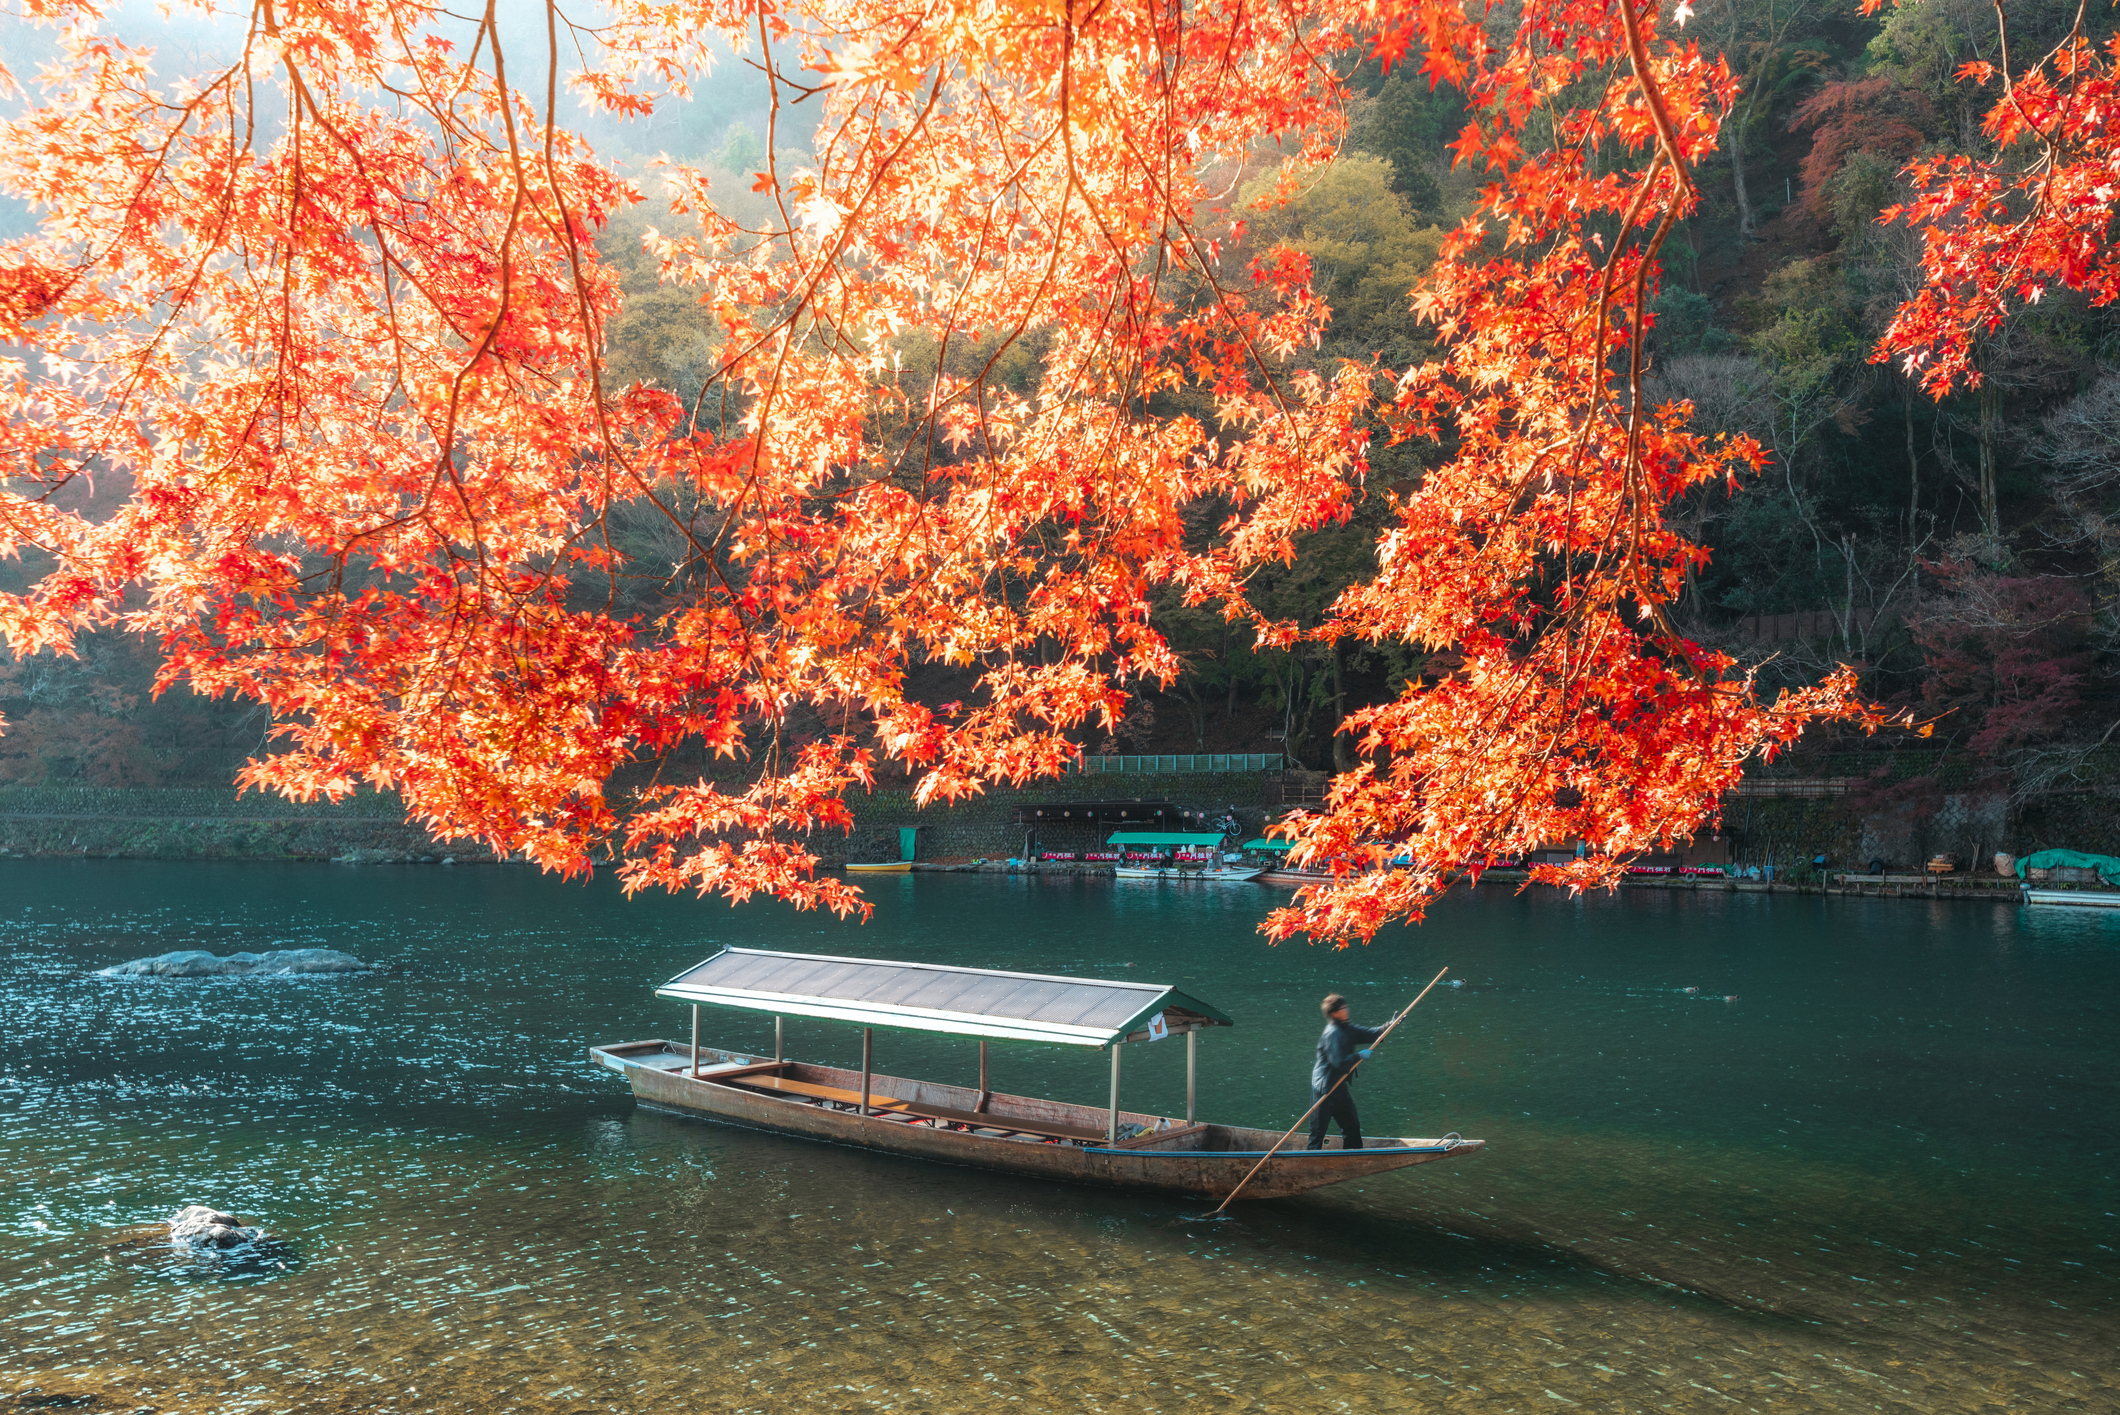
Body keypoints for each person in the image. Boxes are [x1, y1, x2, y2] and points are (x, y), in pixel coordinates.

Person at [1307, 993, 1384, 1150]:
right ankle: (1310, 1162)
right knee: (1318, 1131)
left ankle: (1352, 1156)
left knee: (1351, 1125)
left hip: (1338, 1085)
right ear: (1333, 1013)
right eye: (1342, 1008)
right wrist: (1358, 1055)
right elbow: (1339, 1062)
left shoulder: (1347, 1028)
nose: (1346, 1009)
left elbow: (1370, 1033)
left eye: (1345, 1006)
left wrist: (1391, 1024)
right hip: (1325, 1088)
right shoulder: (1332, 1033)